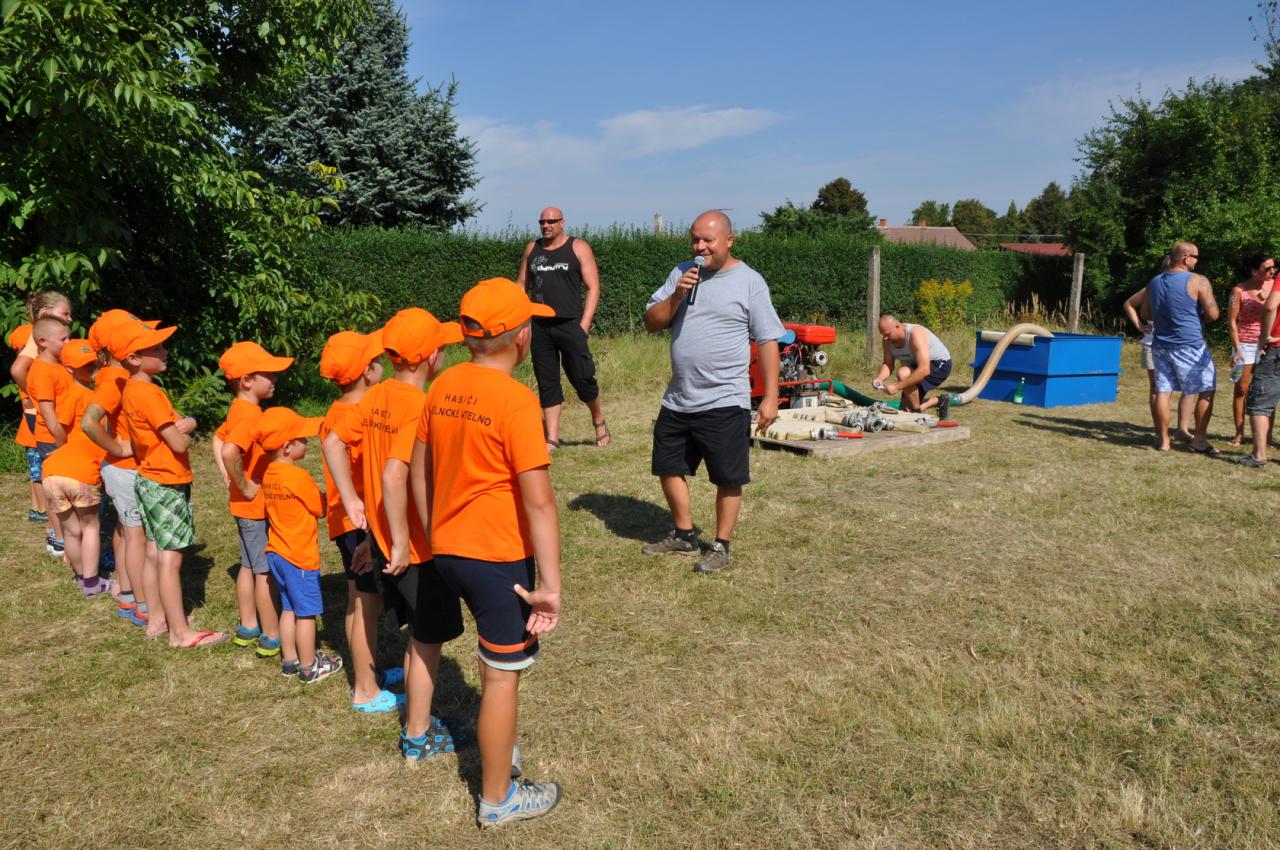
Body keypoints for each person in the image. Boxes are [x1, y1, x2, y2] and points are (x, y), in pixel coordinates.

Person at [411, 276, 563, 828]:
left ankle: (500, 749)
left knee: (493, 664)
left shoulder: (443, 385)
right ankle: (498, 800)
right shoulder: (517, 401)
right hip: (498, 558)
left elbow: (419, 470)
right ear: (521, 337)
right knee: (501, 675)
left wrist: (433, 530)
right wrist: (550, 585)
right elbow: (539, 502)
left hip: (448, 549)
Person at [323, 307, 463, 738]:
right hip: (416, 549)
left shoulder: (377, 394)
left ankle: (417, 723)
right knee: (427, 639)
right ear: (431, 357)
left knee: (419, 635)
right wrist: (401, 541)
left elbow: (332, 441)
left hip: (382, 539)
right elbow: (392, 475)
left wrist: (355, 507)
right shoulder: (420, 406)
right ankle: (418, 733)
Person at [641, 210, 783, 574]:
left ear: (729, 241)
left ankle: (721, 545)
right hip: (679, 397)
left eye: (708, 240)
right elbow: (651, 323)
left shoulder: (749, 281)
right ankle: (684, 534)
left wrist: (770, 397)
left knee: (727, 477)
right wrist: (677, 295)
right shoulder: (681, 273)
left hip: (725, 398)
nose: (700, 247)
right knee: (668, 467)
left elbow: (768, 340)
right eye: (695, 240)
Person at [119, 321, 227, 648]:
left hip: (148, 477)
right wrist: (189, 426)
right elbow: (178, 443)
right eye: (156, 348)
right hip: (166, 481)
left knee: (154, 551)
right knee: (171, 557)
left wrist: (183, 424)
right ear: (134, 358)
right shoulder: (150, 394)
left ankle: (158, 620)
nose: (165, 351)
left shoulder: (131, 389)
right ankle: (180, 634)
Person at [318, 328, 403, 710]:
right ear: (368, 372)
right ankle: (365, 690)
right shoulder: (359, 416)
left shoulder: (338, 411)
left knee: (358, 600)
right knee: (365, 603)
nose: (382, 362)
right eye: (377, 359)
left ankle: (368, 673)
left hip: (345, 521)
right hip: (358, 523)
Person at [212, 341, 293, 657]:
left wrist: (228, 477)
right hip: (254, 506)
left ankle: (248, 625)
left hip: (243, 507)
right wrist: (243, 484)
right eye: (268, 374)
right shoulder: (250, 417)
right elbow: (229, 449)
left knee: (247, 565)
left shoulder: (238, 409)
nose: (275, 379)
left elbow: (218, 438)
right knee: (264, 571)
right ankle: (271, 634)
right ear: (247, 380)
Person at [256, 406, 343, 683]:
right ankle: (308, 667)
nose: (307, 441)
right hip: (299, 557)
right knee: (307, 613)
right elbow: (319, 508)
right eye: (302, 438)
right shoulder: (297, 477)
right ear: (286, 446)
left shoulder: (269, 473)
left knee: (289, 608)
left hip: (277, 553)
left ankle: (290, 660)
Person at [515, 207, 610, 450]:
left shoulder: (578, 248)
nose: (546, 225)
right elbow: (521, 286)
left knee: (582, 376)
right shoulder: (532, 248)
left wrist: (584, 325)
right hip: (539, 326)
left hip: (570, 324)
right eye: (542, 222)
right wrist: (519, 320)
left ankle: (598, 419)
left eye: (551, 221)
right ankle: (552, 437)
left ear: (562, 222)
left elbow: (593, 288)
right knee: (547, 380)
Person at [83, 310, 153, 625]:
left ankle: (127, 593)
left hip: (119, 468)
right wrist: (118, 448)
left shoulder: (113, 375)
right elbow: (89, 422)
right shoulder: (114, 380)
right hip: (126, 467)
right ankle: (142, 603)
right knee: (136, 536)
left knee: (124, 531)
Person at [1126, 242, 1221, 454]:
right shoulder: (1198, 281)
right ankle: (1199, 440)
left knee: (1162, 391)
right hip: (1189, 345)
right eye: (1196, 257)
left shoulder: (1154, 282)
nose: (1197, 261)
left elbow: (1146, 314)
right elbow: (1213, 314)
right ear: (1185, 258)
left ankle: (1164, 441)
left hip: (1160, 345)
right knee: (1206, 390)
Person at [40, 339, 108, 596]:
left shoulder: (86, 394)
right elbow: (60, 427)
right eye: (84, 365)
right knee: (90, 527)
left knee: (71, 530)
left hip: (51, 472)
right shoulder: (77, 395)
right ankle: (91, 582)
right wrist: (62, 445)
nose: (91, 368)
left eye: (93, 363)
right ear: (69, 368)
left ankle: (81, 577)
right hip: (80, 470)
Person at [1123, 288, 1195, 446]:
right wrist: (1140, 326)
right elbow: (1128, 304)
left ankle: (1182, 430)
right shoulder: (1153, 287)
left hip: (1182, 344)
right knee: (1158, 389)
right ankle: (1161, 432)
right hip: (1153, 343)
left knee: (1189, 388)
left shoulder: (1189, 285)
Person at [26, 315, 73, 557]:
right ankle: (60, 539)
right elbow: (47, 412)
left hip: (62, 437)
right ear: (43, 342)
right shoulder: (43, 371)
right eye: (63, 339)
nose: (68, 342)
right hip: (52, 439)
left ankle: (65, 536)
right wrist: (61, 443)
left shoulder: (58, 365)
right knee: (57, 491)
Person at [1226, 254, 1274, 448]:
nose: (1272, 271)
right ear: (1254, 271)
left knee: (1267, 391)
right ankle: (1239, 433)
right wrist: (1237, 349)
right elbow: (1232, 322)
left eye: (1274, 267)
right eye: (1267, 268)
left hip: (1268, 344)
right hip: (1244, 345)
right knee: (1241, 389)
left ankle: (1267, 437)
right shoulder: (1239, 290)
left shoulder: (1275, 287)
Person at [1235, 269, 1280, 468]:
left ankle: (1259, 456)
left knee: (1260, 402)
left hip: (1277, 346)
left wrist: (1264, 337)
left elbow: (1270, 307)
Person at [873, 315, 953, 418]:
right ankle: (940, 401)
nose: (885, 338)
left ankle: (916, 413)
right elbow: (888, 364)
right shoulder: (887, 341)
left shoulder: (915, 333)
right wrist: (880, 378)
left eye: (888, 334)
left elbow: (924, 369)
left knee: (902, 374)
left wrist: (897, 387)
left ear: (897, 326)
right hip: (916, 367)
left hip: (939, 364)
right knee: (904, 410)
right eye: (883, 335)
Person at [8, 324, 47, 525]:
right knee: (38, 475)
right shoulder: (29, 374)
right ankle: (43, 510)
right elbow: (28, 404)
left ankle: (35, 508)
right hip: (33, 433)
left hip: (31, 433)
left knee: (35, 473)